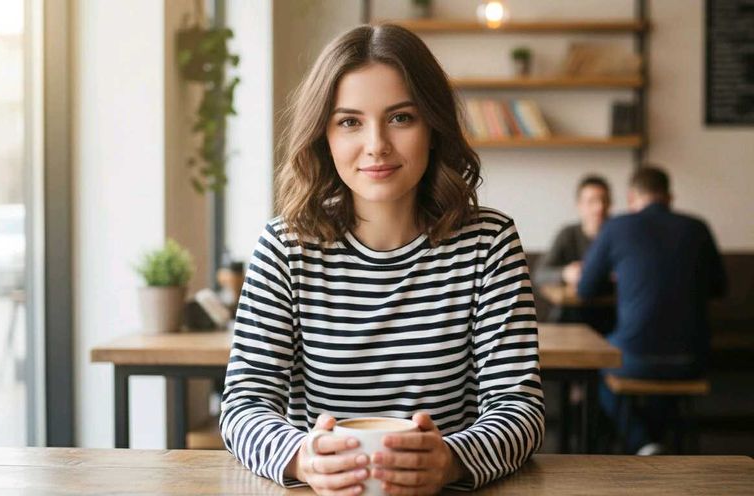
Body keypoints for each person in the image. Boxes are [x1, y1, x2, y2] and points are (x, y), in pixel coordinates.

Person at [221, 24, 544, 494]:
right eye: (350, 121)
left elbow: (521, 409)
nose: (376, 145)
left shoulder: (488, 242)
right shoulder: (284, 246)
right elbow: (243, 406)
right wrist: (301, 458)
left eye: (400, 118)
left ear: (433, 128)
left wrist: (451, 461)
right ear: (324, 137)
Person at [578, 166, 726, 455]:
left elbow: (585, 290)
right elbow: (720, 288)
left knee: (596, 368)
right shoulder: (698, 227)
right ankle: (658, 441)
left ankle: (642, 442)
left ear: (632, 197)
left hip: (634, 359)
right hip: (692, 359)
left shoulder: (617, 227)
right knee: (662, 376)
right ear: (669, 197)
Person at [534, 175, 614, 332]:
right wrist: (565, 273)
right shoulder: (567, 234)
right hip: (571, 318)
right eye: (592, 201)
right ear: (579, 205)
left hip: (610, 316)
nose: (599, 207)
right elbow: (540, 274)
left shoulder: (620, 235)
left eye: (604, 200)